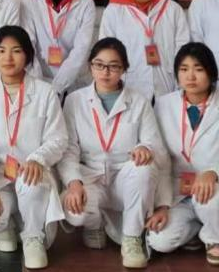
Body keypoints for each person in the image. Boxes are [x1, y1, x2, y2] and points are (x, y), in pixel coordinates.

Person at [58, 38, 167, 269]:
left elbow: (154, 143)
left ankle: (131, 240)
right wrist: (74, 183)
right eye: (99, 65)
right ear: (90, 66)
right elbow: (69, 150)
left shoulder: (139, 101)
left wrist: (145, 149)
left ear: (124, 69)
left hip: (124, 179)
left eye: (114, 66)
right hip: (90, 178)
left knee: (144, 169)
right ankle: (94, 225)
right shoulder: (75, 101)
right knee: (75, 211)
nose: (105, 72)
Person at [0, 26, 68, 270]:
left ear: (28, 56)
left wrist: (37, 159)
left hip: (33, 173)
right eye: (1, 51)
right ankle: (8, 224)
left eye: (16, 51)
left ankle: (33, 237)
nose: (8, 58)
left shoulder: (45, 92)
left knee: (29, 180)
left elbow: (58, 139)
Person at [146, 43, 219, 266]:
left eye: (198, 69)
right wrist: (163, 204)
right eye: (184, 69)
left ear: (211, 73)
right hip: (177, 192)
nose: (190, 76)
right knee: (159, 241)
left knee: (210, 196)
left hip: (215, 194)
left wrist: (214, 173)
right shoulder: (163, 106)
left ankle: (214, 238)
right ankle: (196, 229)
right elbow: (160, 159)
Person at [98, 0, 190, 97]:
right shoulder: (114, 10)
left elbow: (183, 49)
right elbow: (107, 52)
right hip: (128, 85)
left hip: (167, 86)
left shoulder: (173, 9)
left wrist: (180, 85)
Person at [21, 0, 96, 96]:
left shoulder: (86, 3)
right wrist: (40, 85)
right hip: (39, 80)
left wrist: (58, 87)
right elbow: (28, 45)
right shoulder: (29, 1)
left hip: (75, 81)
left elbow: (81, 48)